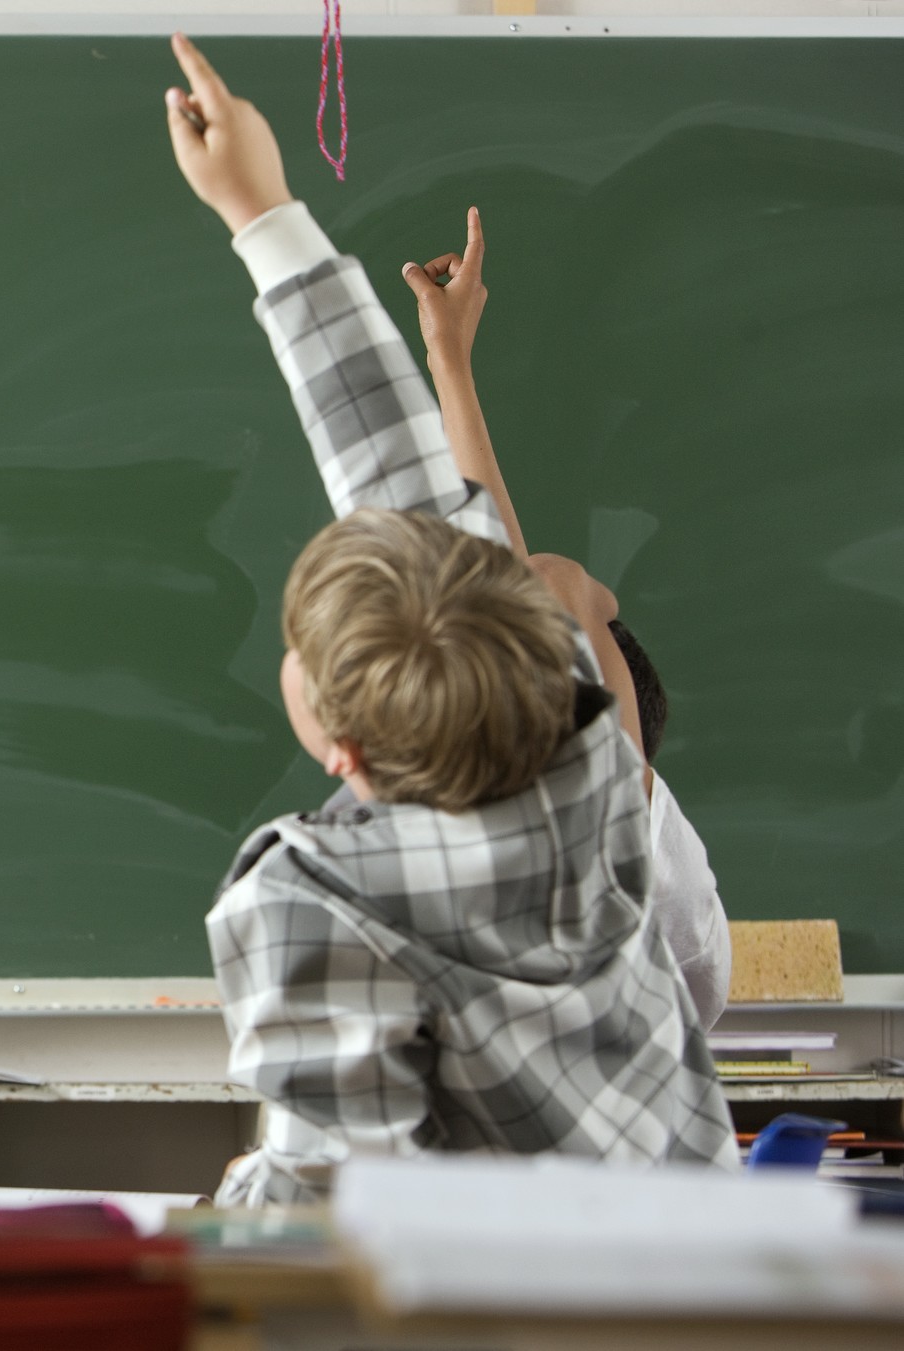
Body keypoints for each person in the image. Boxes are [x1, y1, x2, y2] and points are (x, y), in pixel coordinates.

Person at [162, 33, 736, 1206]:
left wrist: (241, 1197)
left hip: (485, 1287)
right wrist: (261, 214)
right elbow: (406, 483)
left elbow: (329, 1188)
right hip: (684, 1268)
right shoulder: (581, 772)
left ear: (339, 746)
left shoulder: (312, 898)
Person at [399, 209, 732, 1028]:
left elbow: (542, 598)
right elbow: (525, 608)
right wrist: (448, 362)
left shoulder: (667, 898)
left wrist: (585, 591)